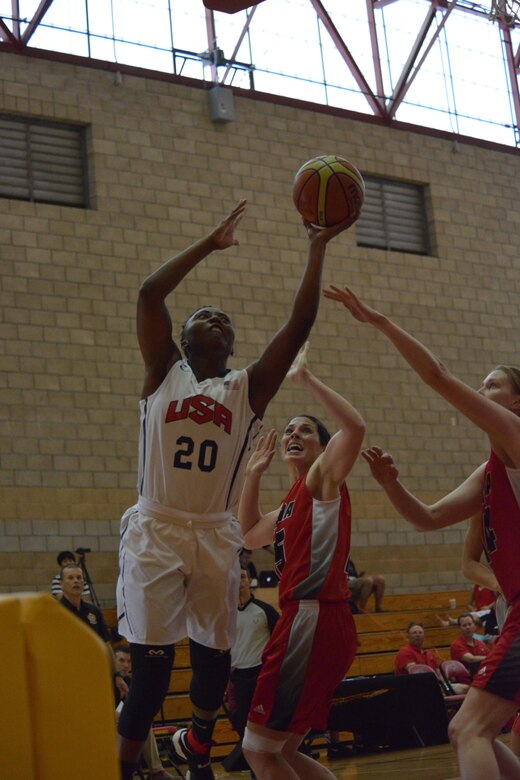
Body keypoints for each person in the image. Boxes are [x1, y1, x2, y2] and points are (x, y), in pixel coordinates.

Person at [116, 201, 350, 780]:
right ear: (186, 338)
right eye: (203, 314)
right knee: (148, 677)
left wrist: (316, 249)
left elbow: (299, 326)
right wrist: (208, 244)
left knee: (214, 656)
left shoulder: (248, 389)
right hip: (157, 528)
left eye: (225, 318)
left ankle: (197, 742)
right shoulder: (162, 372)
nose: (215, 318)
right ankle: (124, 766)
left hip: (214, 533)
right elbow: (149, 293)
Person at [324, 283, 520, 780]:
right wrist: (392, 484)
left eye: (492, 385)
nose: (480, 392)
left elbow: (438, 375)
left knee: (468, 730)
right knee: (474, 732)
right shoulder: (492, 469)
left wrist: (380, 321)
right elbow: (427, 518)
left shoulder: (518, 439)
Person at [237, 342, 366, 780]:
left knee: (258, 750)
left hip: (310, 620)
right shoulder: (291, 501)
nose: (293, 434)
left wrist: (306, 379)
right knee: (283, 751)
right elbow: (249, 533)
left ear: (325, 448)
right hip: (315, 624)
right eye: (289, 429)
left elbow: (355, 427)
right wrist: (252, 476)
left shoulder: (321, 481)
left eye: (305, 430)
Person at [222, 567, 279, 773]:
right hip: (239, 676)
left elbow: (281, 641)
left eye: (243, 576)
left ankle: (278, 758)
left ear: (250, 581)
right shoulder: (225, 614)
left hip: (262, 674)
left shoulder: (264, 610)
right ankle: (255, 764)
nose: (238, 580)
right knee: (243, 722)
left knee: (270, 719)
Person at [59, 564, 128, 701]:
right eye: (71, 578)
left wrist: (117, 675)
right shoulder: (57, 612)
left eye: (79, 577)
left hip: (94, 673)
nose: (76, 581)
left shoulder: (93, 611)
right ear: (62, 584)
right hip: (67, 675)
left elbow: (107, 645)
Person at [114, 646, 174, 780]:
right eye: (121, 660)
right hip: (98, 724)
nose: (125, 665)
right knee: (132, 719)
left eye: (129, 662)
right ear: (113, 661)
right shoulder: (103, 679)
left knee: (141, 719)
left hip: (119, 728)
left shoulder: (130, 682)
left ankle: (156, 770)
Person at [450, 614, 489, 678]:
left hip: (483, 678)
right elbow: (471, 659)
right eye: (464, 625)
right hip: (467, 680)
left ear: (474, 626)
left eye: (470, 624)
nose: (468, 627)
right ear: (459, 628)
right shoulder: (456, 645)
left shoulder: (481, 644)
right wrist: (490, 657)